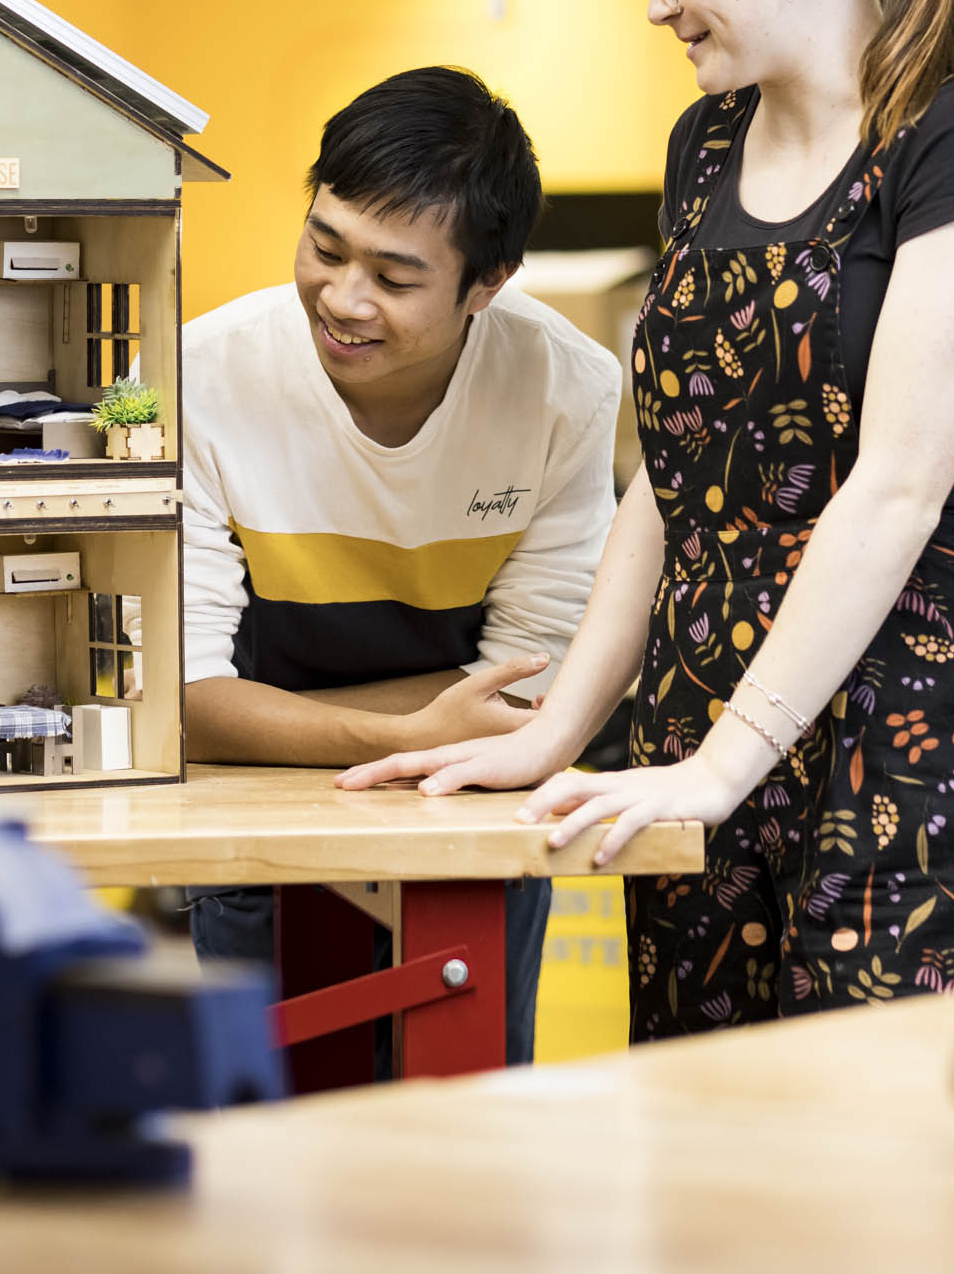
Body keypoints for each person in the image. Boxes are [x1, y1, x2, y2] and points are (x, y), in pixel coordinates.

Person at [343, 0, 954, 1039]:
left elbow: (893, 493)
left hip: (901, 720)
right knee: (709, 1128)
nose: (662, 6)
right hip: (694, 719)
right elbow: (675, 482)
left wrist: (734, 759)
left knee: (882, 1149)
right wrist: (563, 729)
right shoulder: (707, 146)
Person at [181, 67, 623, 1065]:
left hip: (462, 818)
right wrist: (418, 724)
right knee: (268, 1139)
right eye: (323, 247)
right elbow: (176, 695)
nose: (343, 300)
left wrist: (281, 715)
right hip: (253, 819)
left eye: (395, 277)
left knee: (464, 1133)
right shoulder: (199, 377)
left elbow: (530, 692)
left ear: (488, 282)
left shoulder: (565, 388)